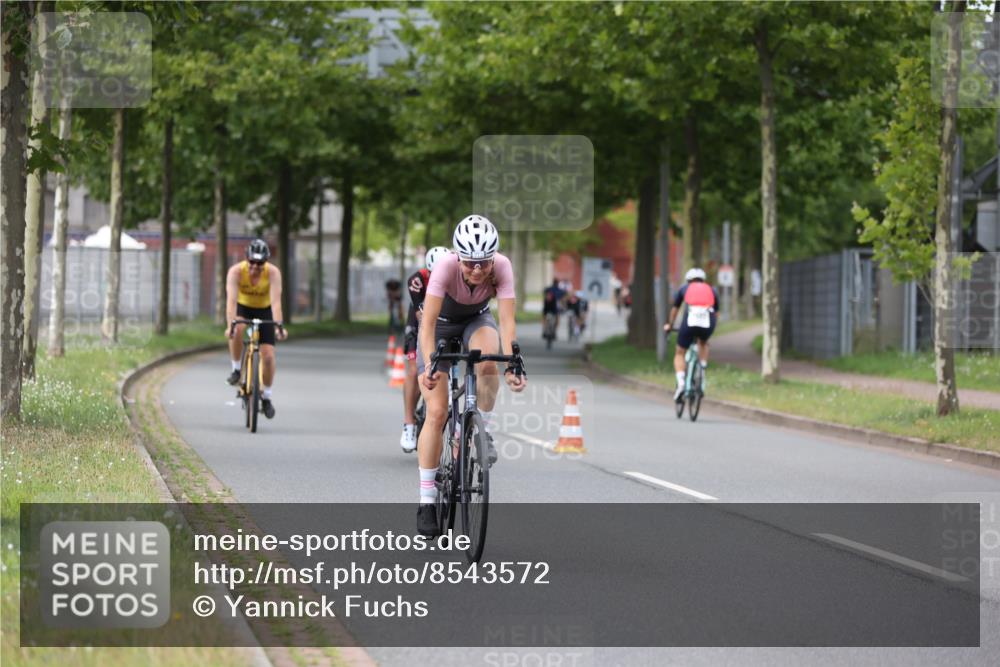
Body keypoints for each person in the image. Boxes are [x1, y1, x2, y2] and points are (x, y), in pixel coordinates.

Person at [415, 215, 527, 536]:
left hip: (477, 320)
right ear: (457, 256)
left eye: (483, 263)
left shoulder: (502, 267)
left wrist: (513, 364)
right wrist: (430, 365)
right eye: (469, 263)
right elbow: (428, 323)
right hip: (440, 326)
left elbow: (506, 322)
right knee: (436, 412)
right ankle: (427, 500)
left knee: (488, 361)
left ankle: (484, 430)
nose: (477, 270)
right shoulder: (445, 268)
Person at [225, 239, 288, 419]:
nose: (255, 267)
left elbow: (276, 303)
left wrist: (279, 326)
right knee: (237, 330)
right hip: (243, 307)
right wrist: (230, 325)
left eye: (260, 263)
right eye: (252, 262)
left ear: (266, 262)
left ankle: (266, 397)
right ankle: (237, 369)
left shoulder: (273, 273)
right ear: (247, 259)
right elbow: (230, 302)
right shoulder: (236, 272)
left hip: (265, 309)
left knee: (268, 356)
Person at [399, 246, 452, 453]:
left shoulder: (454, 275)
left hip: (445, 322)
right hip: (420, 321)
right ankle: (409, 423)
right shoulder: (417, 280)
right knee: (413, 370)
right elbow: (423, 317)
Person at [663, 268, 718, 401]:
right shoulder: (712, 290)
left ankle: (681, 383)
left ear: (688, 280)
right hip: (708, 323)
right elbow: (716, 313)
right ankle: (702, 370)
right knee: (703, 343)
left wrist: (670, 325)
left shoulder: (684, 288)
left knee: (680, 352)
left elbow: (675, 309)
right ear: (703, 280)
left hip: (689, 323)